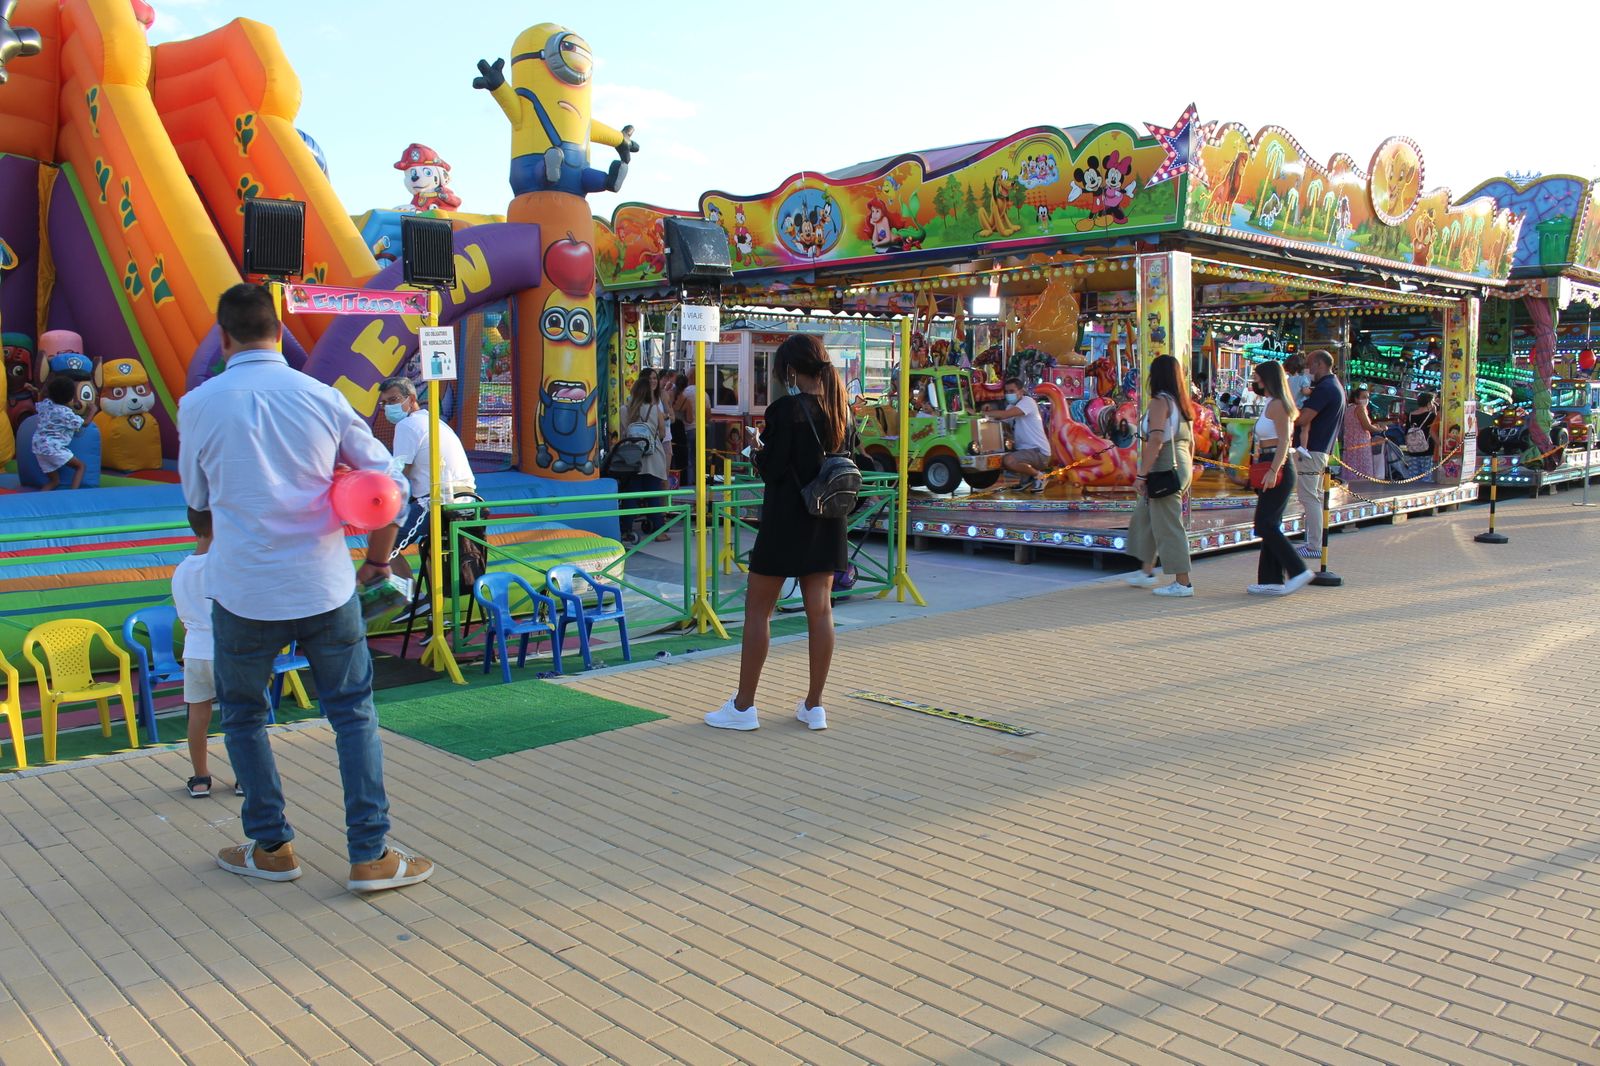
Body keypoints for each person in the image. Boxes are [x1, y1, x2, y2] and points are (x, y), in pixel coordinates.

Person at [179, 283, 433, 893]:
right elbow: (385, 480)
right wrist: (378, 559)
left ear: (223, 337)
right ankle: (369, 855)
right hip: (324, 583)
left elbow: (196, 504)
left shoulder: (199, 404)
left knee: (243, 716)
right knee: (352, 715)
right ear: (279, 334)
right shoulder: (321, 396)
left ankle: (271, 848)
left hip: (242, 589)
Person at [706, 334, 847, 733]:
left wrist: (755, 448)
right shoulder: (840, 410)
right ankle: (814, 706)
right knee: (820, 612)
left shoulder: (785, 410)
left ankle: (744, 706)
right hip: (826, 520)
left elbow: (772, 470)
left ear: (789, 370)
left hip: (786, 520)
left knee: (758, 609)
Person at [377, 376, 477, 599]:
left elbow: (398, 474)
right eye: (384, 403)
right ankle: (431, 604)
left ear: (411, 399)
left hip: (439, 503)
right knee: (424, 545)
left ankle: (412, 598)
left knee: (380, 538)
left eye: (393, 400)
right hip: (467, 501)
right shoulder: (434, 421)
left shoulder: (407, 425)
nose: (388, 408)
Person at [171, 507, 240, 800]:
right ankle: (244, 777)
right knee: (240, 716)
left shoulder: (181, 569)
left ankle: (201, 778)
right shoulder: (227, 564)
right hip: (228, 650)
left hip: (196, 651)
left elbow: (185, 617)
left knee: (198, 715)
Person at [1123, 354, 1196, 597]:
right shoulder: (1181, 403)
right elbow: (1191, 442)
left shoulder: (1159, 402)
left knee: (1167, 525)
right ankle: (1147, 570)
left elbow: (1155, 440)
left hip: (1163, 465)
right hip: (1180, 463)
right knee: (1146, 517)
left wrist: (1142, 475)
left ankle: (1183, 582)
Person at [1248, 360, 1313, 596]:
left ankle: (1298, 569)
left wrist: (1274, 470)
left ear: (1268, 379)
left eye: (1257, 378)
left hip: (1277, 466)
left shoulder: (1279, 405)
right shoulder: (1270, 403)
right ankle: (1270, 580)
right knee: (1269, 524)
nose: (1254, 382)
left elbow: (1285, 441)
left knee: (1264, 524)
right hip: (1267, 463)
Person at [1292, 350, 1345, 559]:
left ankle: (1314, 545)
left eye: (1310, 364)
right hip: (1320, 449)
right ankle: (1313, 542)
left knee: (1309, 496)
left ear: (1320, 364)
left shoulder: (1325, 388)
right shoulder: (1335, 386)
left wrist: (1286, 416)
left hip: (1312, 450)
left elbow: (1304, 418)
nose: (1308, 368)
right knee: (1313, 495)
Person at [621, 370, 669, 542]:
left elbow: (623, 434)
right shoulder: (655, 410)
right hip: (653, 457)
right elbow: (662, 433)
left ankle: (626, 529)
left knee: (630, 496)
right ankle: (658, 531)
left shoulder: (624, 410)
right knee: (653, 495)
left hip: (632, 459)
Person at [984, 377, 1051, 492]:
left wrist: (983, 413)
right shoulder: (1011, 407)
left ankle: (1040, 476)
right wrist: (990, 415)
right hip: (1025, 451)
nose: (1008, 394)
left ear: (1021, 391)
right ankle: (1027, 479)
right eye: (1007, 392)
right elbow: (1001, 424)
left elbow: (1005, 415)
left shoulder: (1027, 402)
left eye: (1012, 391)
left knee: (1008, 461)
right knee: (999, 458)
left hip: (1038, 452)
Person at [32, 375, 91, 491]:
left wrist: (44, 388)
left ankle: (38, 499)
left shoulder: (46, 405)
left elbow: (40, 398)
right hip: (52, 448)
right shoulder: (66, 414)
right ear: (71, 397)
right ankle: (72, 494)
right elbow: (85, 423)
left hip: (38, 447)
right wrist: (93, 409)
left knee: (54, 481)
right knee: (81, 466)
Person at [1340, 386, 1384, 482]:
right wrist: (1380, 429)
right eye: (1363, 397)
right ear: (1356, 398)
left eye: (1368, 397)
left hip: (1350, 442)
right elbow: (1367, 426)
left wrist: (1374, 426)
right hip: (1361, 444)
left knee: (1351, 466)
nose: (1366, 400)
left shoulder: (1349, 409)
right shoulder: (1360, 408)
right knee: (1362, 470)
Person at [1403, 391, 1439, 481]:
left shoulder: (1411, 415)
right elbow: (1435, 429)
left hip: (1412, 449)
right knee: (1427, 475)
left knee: (1414, 476)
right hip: (1427, 449)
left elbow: (1406, 431)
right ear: (1428, 403)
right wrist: (1434, 412)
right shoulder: (1431, 415)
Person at [669, 372, 689, 483]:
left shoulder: (668, 394)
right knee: (682, 457)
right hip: (680, 428)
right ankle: (682, 480)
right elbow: (689, 419)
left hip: (670, 427)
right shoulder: (686, 400)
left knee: (670, 456)